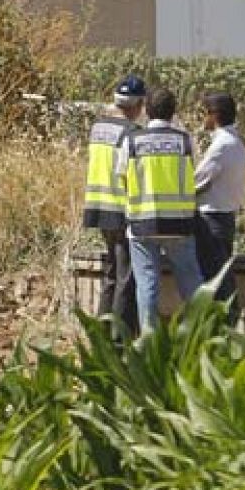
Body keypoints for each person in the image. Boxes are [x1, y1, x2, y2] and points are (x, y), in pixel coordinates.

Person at [115, 87, 203, 334]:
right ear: (173, 112)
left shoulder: (132, 141)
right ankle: (201, 336)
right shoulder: (184, 140)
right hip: (180, 224)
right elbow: (191, 173)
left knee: (147, 286)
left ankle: (149, 343)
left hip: (143, 224)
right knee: (191, 284)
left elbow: (122, 177)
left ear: (146, 109)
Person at [81, 75, 144, 336]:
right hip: (121, 209)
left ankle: (101, 331)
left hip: (98, 207)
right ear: (138, 104)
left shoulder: (97, 128)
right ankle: (120, 337)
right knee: (125, 276)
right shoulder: (133, 133)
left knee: (110, 273)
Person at [193, 91, 245, 324]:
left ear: (213, 115)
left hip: (211, 220)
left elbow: (197, 182)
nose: (202, 119)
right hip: (225, 218)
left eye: (203, 113)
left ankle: (223, 327)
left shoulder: (221, 146)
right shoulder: (235, 142)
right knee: (222, 274)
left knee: (216, 280)